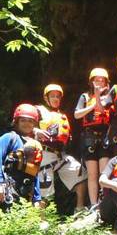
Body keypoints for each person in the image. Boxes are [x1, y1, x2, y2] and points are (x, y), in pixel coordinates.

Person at [34, 84, 88, 213]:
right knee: (44, 190)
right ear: (46, 98)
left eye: (58, 96)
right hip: (44, 155)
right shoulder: (38, 111)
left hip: (60, 155)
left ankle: (79, 209)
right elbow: (23, 125)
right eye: (52, 96)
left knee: (80, 173)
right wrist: (35, 130)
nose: (55, 99)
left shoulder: (61, 115)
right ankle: (41, 220)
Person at [0, 104, 43, 209]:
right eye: (23, 120)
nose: (27, 124)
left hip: (25, 192)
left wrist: (37, 198)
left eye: (30, 121)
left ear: (34, 124)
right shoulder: (8, 138)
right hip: (6, 190)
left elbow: (34, 172)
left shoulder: (34, 144)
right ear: (17, 121)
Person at [74, 68, 111, 210]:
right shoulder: (84, 97)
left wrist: (98, 96)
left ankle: (104, 203)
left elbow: (103, 111)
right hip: (89, 136)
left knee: (104, 172)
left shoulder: (109, 96)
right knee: (92, 174)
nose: (99, 82)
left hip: (104, 135)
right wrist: (93, 101)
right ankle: (94, 204)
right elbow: (77, 115)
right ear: (91, 82)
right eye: (97, 80)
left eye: (102, 80)